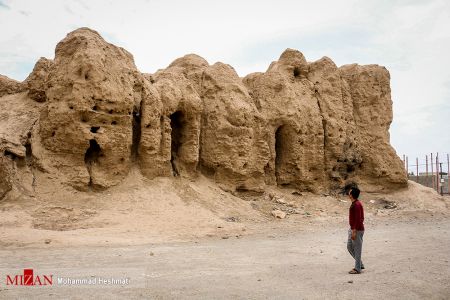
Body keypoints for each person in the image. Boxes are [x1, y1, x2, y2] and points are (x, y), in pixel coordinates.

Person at [347, 186, 365, 274]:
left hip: (356, 230)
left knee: (357, 249)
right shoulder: (355, 203)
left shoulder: (357, 205)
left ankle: (357, 268)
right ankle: (360, 263)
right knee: (349, 246)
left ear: (351, 195)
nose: (348, 193)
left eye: (349, 192)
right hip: (353, 229)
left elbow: (359, 219)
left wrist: (354, 231)